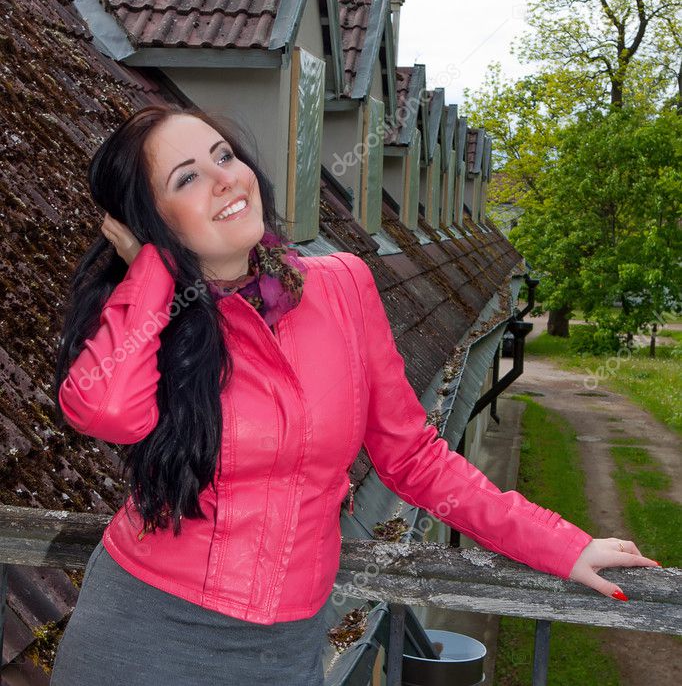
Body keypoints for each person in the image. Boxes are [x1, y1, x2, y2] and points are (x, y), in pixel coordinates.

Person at [50, 103, 660, 686]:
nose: (224, 180)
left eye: (224, 156)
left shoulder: (342, 288)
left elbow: (413, 458)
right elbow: (106, 410)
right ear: (152, 223)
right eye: (187, 178)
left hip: (287, 644)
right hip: (142, 634)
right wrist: (154, 269)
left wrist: (558, 542)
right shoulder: (150, 320)